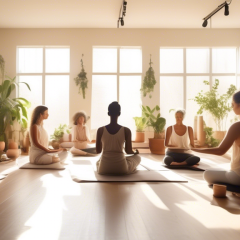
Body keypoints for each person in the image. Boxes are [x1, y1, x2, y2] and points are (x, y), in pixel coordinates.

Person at [191, 91, 240, 194]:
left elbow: (220, 150)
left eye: (233, 104)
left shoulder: (236, 127)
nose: (232, 107)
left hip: (237, 176)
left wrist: (197, 149)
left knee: (207, 174)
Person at [96, 102, 141, 175]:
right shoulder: (126, 130)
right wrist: (135, 152)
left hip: (103, 168)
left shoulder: (100, 130)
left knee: (98, 161)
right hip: (121, 168)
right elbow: (128, 151)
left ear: (108, 113)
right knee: (138, 157)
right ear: (119, 113)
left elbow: (98, 151)